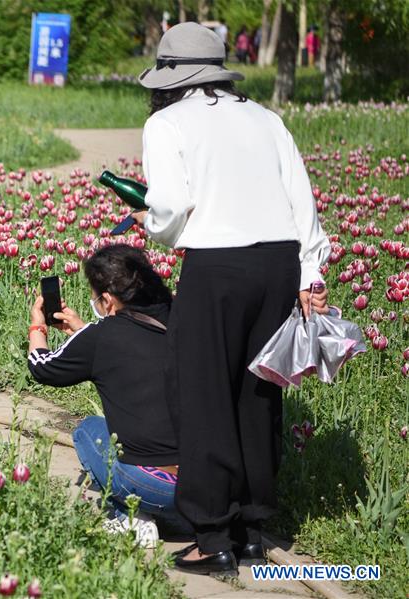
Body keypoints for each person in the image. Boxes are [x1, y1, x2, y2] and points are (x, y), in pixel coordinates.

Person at [135, 23, 331, 576]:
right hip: (278, 263)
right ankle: (252, 526)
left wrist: (151, 223)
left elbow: (170, 210)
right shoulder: (266, 119)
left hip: (217, 267)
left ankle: (211, 534)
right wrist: (309, 273)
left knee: (204, 395)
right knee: (258, 392)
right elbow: (303, 201)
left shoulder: (166, 123)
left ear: (169, 77)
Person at [27, 244, 187, 548]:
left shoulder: (100, 337)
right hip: (207, 483)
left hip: (155, 485)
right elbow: (133, 351)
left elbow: (42, 368)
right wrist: (82, 331)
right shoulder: (180, 320)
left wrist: (38, 325)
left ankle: (131, 518)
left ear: (108, 300)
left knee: (89, 430)